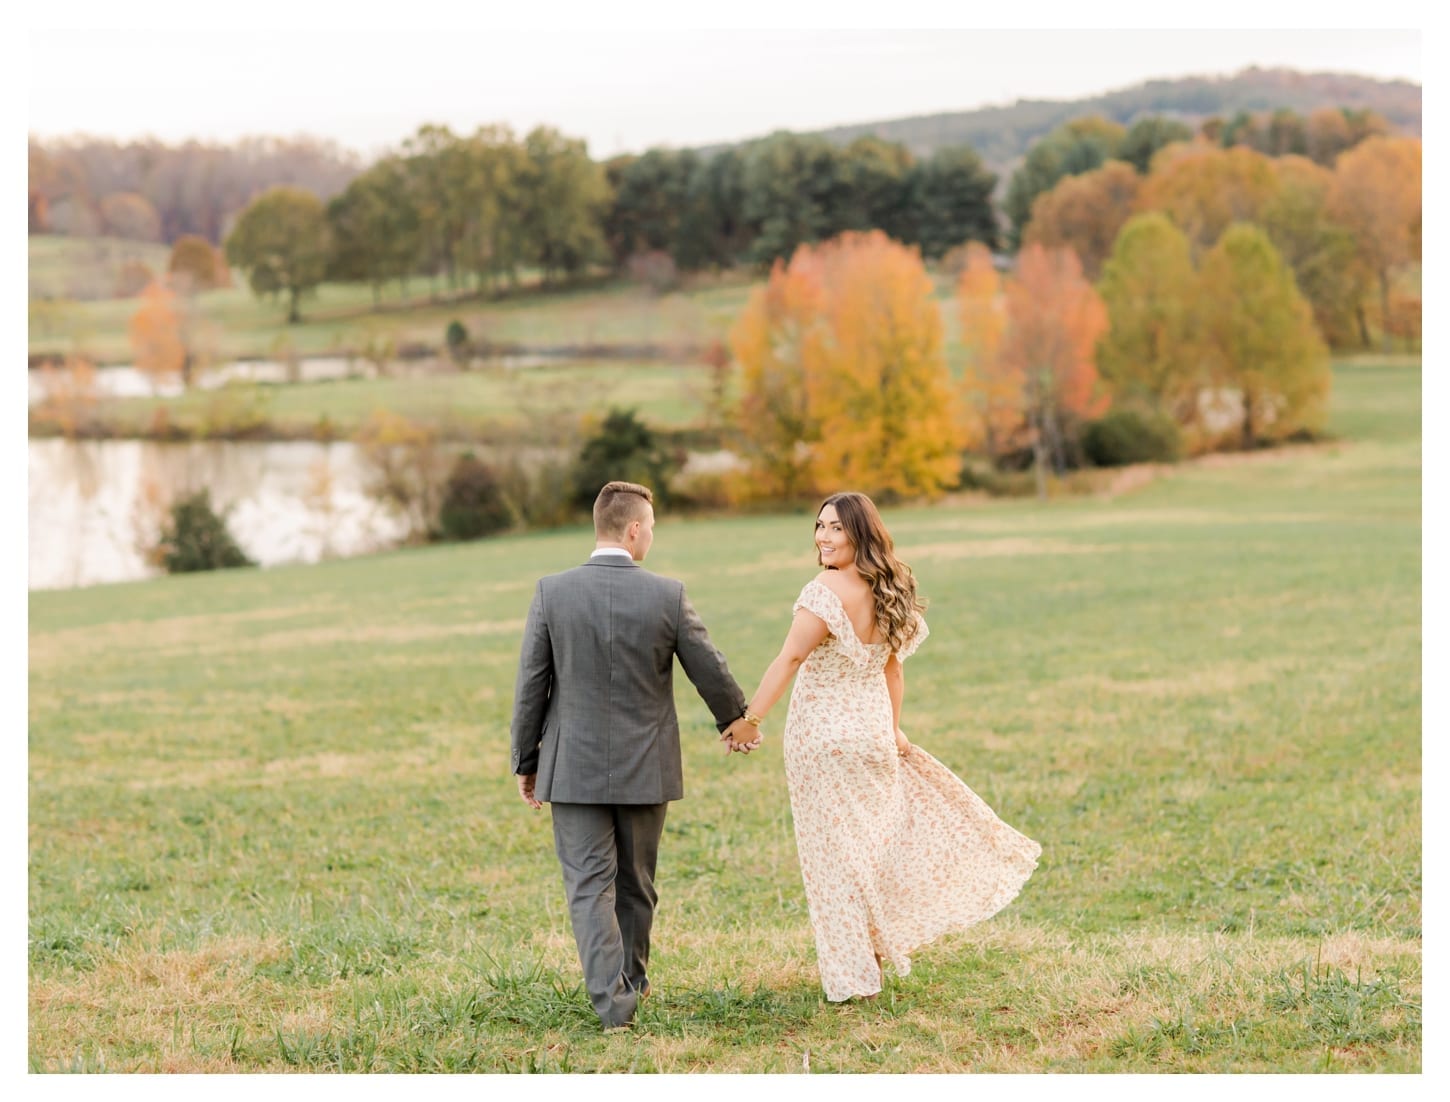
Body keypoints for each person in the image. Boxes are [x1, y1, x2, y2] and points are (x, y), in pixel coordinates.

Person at [732, 491, 1041, 1003]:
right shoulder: (888, 589)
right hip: (872, 736)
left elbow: (788, 659)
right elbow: (892, 670)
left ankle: (854, 978)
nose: (823, 537)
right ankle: (870, 959)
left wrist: (751, 719)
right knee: (868, 853)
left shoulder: (824, 590)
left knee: (833, 862)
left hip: (823, 742)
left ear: (860, 533)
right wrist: (893, 730)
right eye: (819, 526)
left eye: (835, 528)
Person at [510, 480, 762, 1031]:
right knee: (636, 883)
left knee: (587, 886)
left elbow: (532, 683)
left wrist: (525, 761)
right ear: (631, 531)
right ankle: (633, 984)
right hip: (646, 765)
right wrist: (737, 722)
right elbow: (710, 668)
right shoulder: (666, 594)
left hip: (571, 767)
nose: (651, 536)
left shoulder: (552, 591)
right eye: (650, 528)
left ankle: (614, 1006)